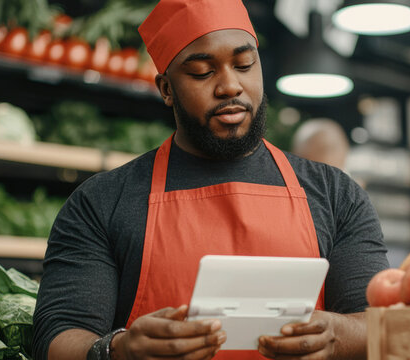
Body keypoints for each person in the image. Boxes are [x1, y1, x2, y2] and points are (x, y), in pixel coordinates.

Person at [32, 0, 389, 359]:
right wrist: (118, 350)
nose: (230, 86)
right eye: (202, 72)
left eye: (244, 64)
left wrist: (338, 334)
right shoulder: (102, 202)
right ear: (166, 89)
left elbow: (380, 324)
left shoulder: (335, 194)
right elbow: (58, 335)